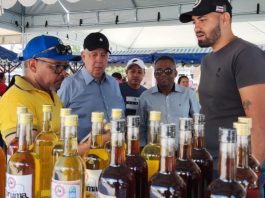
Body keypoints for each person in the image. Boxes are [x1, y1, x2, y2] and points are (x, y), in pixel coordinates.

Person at [180, 0, 265, 166]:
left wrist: (249, 176)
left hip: (236, 166)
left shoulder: (246, 54)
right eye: (194, 22)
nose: (197, 27)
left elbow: (260, 126)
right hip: (207, 161)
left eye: (203, 20)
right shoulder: (207, 60)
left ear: (225, 18)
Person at [0, 35, 80, 145]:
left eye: (65, 67)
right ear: (33, 65)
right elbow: (26, 155)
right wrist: (82, 149)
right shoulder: (15, 99)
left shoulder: (50, 91)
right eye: (57, 66)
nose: (63, 73)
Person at [58, 32, 125, 155]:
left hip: (115, 154)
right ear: (83, 56)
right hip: (83, 155)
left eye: (103, 55)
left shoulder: (113, 84)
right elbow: (58, 124)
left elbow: (121, 116)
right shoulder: (70, 84)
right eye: (94, 55)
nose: (99, 60)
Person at [137, 55, 200, 146]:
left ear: (175, 73)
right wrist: (142, 148)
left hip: (182, 152)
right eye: (159, 71)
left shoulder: (188, 94)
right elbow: (141, 127)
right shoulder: (145, 96)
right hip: (155, 153)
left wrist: (195, 147)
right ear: (155, 74)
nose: (163, 74)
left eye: (168, 71)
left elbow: (197, 123)